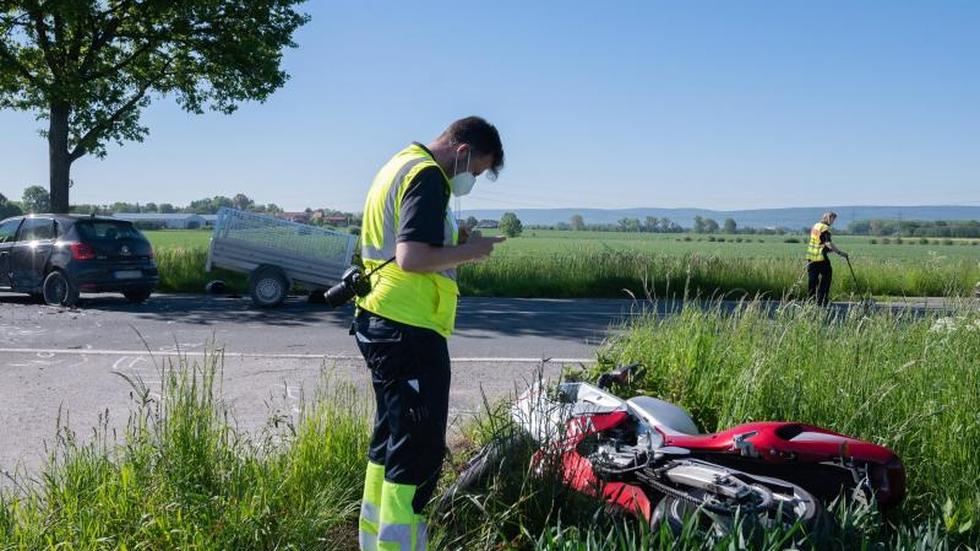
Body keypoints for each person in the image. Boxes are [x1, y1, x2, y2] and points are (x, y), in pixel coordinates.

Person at [353, 116, 505, 551]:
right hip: (408, 330)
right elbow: (411, 257)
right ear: (462, 151)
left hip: (381, 320)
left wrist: (453, 239)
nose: (469, 181)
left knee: (390, 440)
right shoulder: (428, 176)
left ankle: (374, 540)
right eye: (474, 171)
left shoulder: (398, 164)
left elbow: (400, 241)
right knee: (417, 452)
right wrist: (470, 252)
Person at [806, 211, 848, 306]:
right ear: (829, 218)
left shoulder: (816, 226)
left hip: (811, 257)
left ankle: (810, 301)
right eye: (833, 219)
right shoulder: (825, 228)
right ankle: (822, 299)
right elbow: (827, 243)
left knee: (812, 280)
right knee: (827, 276)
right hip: (820, 257)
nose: (833, 222)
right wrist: (840, 253)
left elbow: (818, 241)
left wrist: (828, 250)